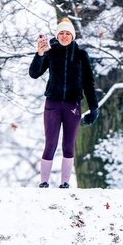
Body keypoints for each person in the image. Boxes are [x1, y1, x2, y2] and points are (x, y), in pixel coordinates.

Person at [29, 17, 100, 188]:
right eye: (61, 33)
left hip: (72, 105)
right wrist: (39, 54)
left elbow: (88, 83)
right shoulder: (50, 52)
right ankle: (44, 182)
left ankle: (65, 183)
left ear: (73, 36)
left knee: (68, 144)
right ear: (57, 35)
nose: (64, 36)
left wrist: (93, 108)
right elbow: (34, 73)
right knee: (50, 143)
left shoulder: (82, 55)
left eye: (68, 33)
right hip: (53, 104)